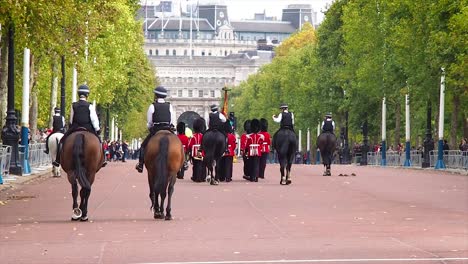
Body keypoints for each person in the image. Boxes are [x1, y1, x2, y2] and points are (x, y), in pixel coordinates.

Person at [53, 84, 107, 168]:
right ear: (87, 95)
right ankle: (103, 159)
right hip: (88, 127)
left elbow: (71, 119)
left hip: (75, 127)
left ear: (78, 94)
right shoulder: (90, 106)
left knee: (62, 142)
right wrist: (97, 129)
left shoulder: (73, 105)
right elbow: (93, 119)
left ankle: (57, 160)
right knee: (99, 142)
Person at [135, 86, 176, 173]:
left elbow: (150, 122)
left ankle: (140, 164)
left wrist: (150, 128)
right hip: (168, 128)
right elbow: (172, 120)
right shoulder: (169, 106)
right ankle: (183, 164)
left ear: (156, 95)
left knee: (143, 146)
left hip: (156, 129)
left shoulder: (152, 106)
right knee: (178, 143)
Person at [188, 118, 206, 182]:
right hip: (200, 150)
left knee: (195, 165)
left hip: (194, 151)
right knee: (200, 164)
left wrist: (189, 151)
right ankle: (201, 177)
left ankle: (196, 177)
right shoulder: (203, 136)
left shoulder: (193, 136)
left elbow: (189, 145)